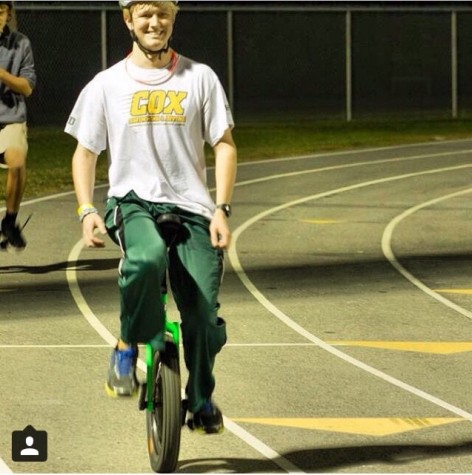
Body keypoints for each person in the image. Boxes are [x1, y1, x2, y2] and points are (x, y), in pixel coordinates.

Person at [65, 0, 237, 434]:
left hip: (193, 208)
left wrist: (221, 208)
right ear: (128, 20)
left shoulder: (200, 77)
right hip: (134, 202)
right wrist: (87, 209)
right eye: (144, 13)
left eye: (162, 12)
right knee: (145, 260)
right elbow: (85, 153)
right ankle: (126, 347)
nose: (154, 22)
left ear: (174, 17)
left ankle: (200, 399)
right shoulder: (106, 85)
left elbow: (225, 144)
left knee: (201, 314)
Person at [0, 0, 36, 250]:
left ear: (8, 14)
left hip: (10, 116)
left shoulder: (21, 43)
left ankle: (9, 221)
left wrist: (1, 74)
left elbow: (27, 86)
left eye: (0, 11)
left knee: (17, 161)